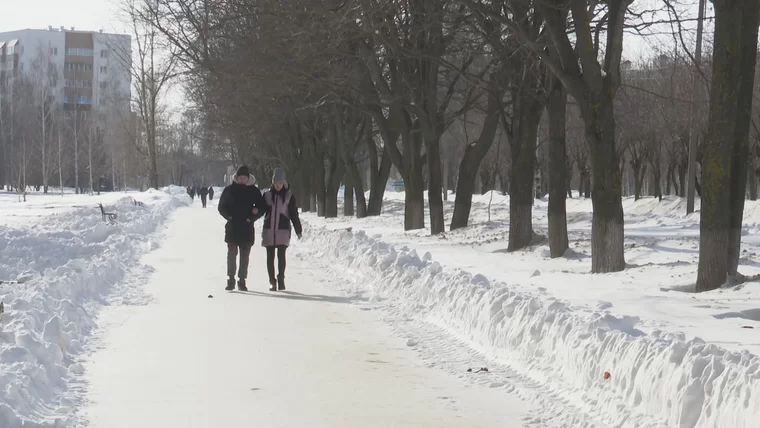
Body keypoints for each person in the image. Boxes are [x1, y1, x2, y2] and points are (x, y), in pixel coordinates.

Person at [218, 165, 266, 291]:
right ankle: (231, 279)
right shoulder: (229, 190)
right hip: (233, 227)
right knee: (232, 255)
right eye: (240, 177)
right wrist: (228, 217)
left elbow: (262, 208)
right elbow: (221, 207)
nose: (243, 179)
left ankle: (242, 280)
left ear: (248, 178)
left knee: (245, 256)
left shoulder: (254, 191)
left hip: (247, 227)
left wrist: (253, 216)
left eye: (245, 177)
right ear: (237, 177)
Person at [261, 168, 302, 291]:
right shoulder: (267, 195)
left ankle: (281, 278)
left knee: (281, 256)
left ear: (283, 182)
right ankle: (272, 281)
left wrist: (298, 229)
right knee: (270, 257)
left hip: (283, 230)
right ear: (272, 182)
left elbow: (294, 214)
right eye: (275, 182)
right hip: (269, 230)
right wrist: (252, 215)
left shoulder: (289, 196)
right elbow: (260, 210)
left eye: (280, 182)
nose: (278, 185)